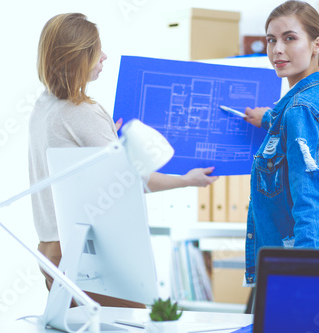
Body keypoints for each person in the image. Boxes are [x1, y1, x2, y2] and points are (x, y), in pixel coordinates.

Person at [28, 13, 218, 306]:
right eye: (95, 52)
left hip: (50, 248)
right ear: (78, 58)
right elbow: (135, 181)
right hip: (84, 255)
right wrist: (187, 180)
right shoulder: (82, 113)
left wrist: (106, 142)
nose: (104, 57)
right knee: (132, 320)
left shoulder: (44, 105)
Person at [242, 0, 319, 286]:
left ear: (317, 44)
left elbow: (311, 203)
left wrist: (300, 278)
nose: (277, 50)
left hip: (300, 269)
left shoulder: (301, 110)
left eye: (290, 38)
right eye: (271, 40)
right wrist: (267, 118)